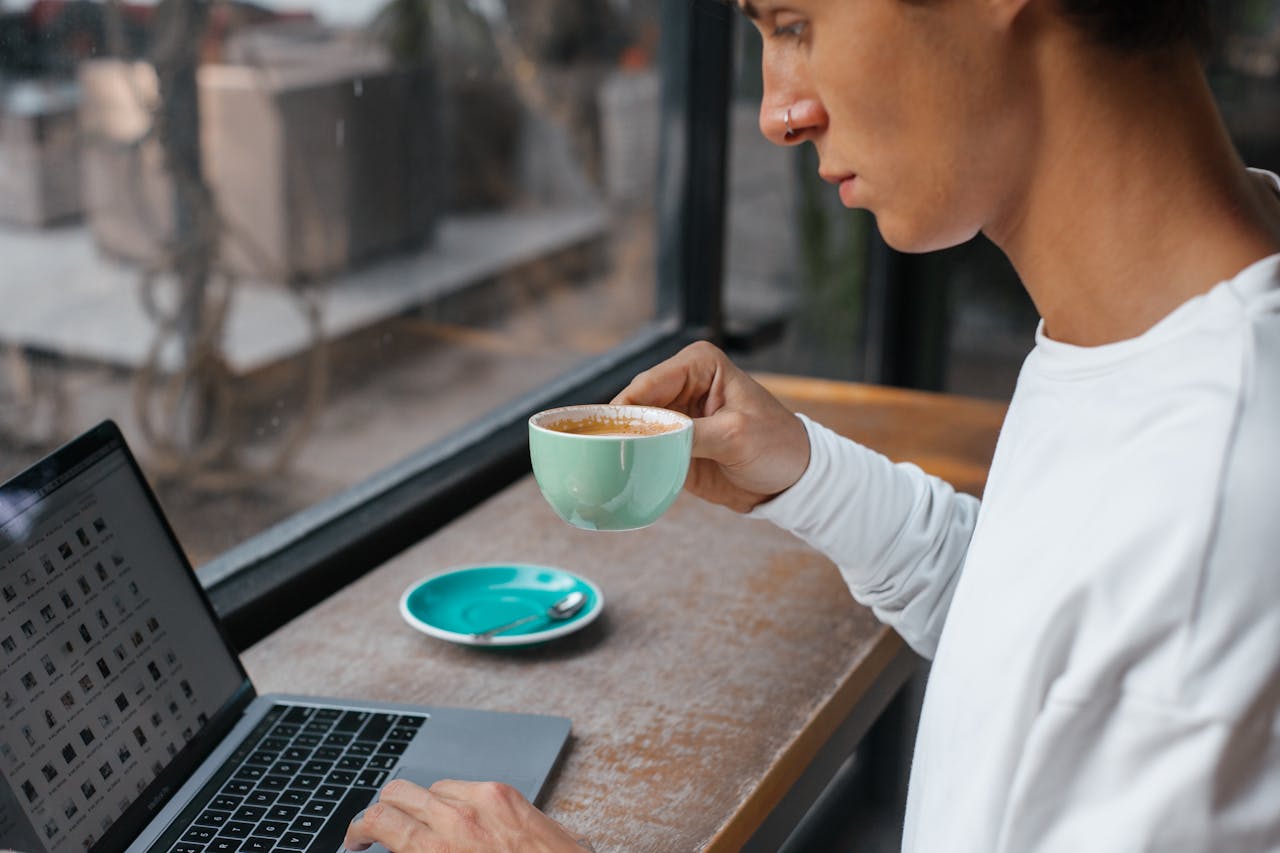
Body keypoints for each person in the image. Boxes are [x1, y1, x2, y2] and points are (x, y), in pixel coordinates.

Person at [346, 0, 1280, 849]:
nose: (778, 114)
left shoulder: (1215, 507)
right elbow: (1050, 645)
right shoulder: (1155, 338)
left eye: (795, 24)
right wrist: (807, 474)